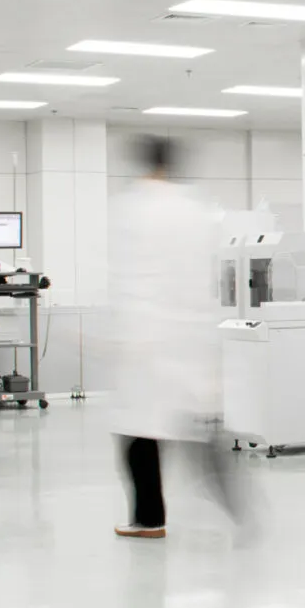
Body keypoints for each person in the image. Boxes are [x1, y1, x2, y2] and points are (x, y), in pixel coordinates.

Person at [108, 136, 220, 539]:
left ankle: (149, 519)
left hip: (149, 340)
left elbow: (135, 280)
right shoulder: (194, 208)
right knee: (186, 432)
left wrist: (127, 335)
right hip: (188, 340)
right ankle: (236, 510)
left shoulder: (137, 206)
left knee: (141, 435)